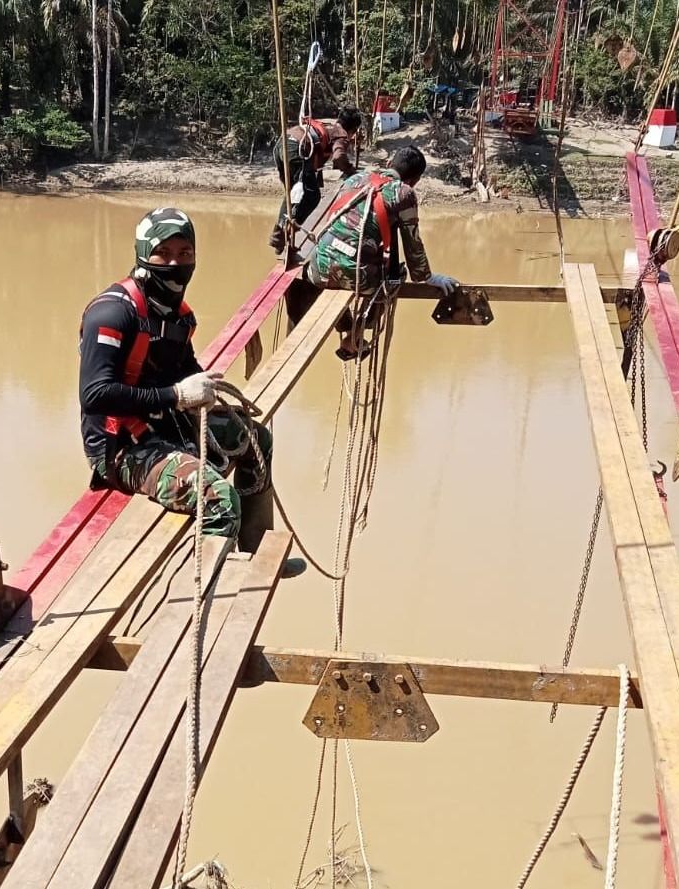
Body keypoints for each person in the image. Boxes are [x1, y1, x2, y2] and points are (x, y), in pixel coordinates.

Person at [79, 207, 304, 574]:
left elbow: (184, 369)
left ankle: (254, 551)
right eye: (163, 254)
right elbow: (95, 395)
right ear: (142, 254)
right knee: (219, 499)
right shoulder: (111, 315)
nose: (174, 263)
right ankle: (208, 595)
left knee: (256, 439)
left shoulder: (178, 316)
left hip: (168, 425)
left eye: (185, 254)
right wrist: (178, 397)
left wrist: (205, 396)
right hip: (122, 448)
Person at [287, 144, 458, 359]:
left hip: (317, 271)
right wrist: (427, 277)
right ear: (415, 180)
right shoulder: (404, 193)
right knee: (394, 278)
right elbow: (412, 242)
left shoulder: (354, 180)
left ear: (389, 164)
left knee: (351, 264)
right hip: (359, 279)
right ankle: (355, 336)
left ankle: (346, 328)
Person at [268, 107, 363, 254]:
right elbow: (339, 157)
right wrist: (350, 170)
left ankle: (279, 236)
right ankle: (283, 234)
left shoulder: (329, 125)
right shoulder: (342, 135)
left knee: (292, 195)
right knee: (312, 196)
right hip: (298, 149)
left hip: (282, 144)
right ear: (353, 130)